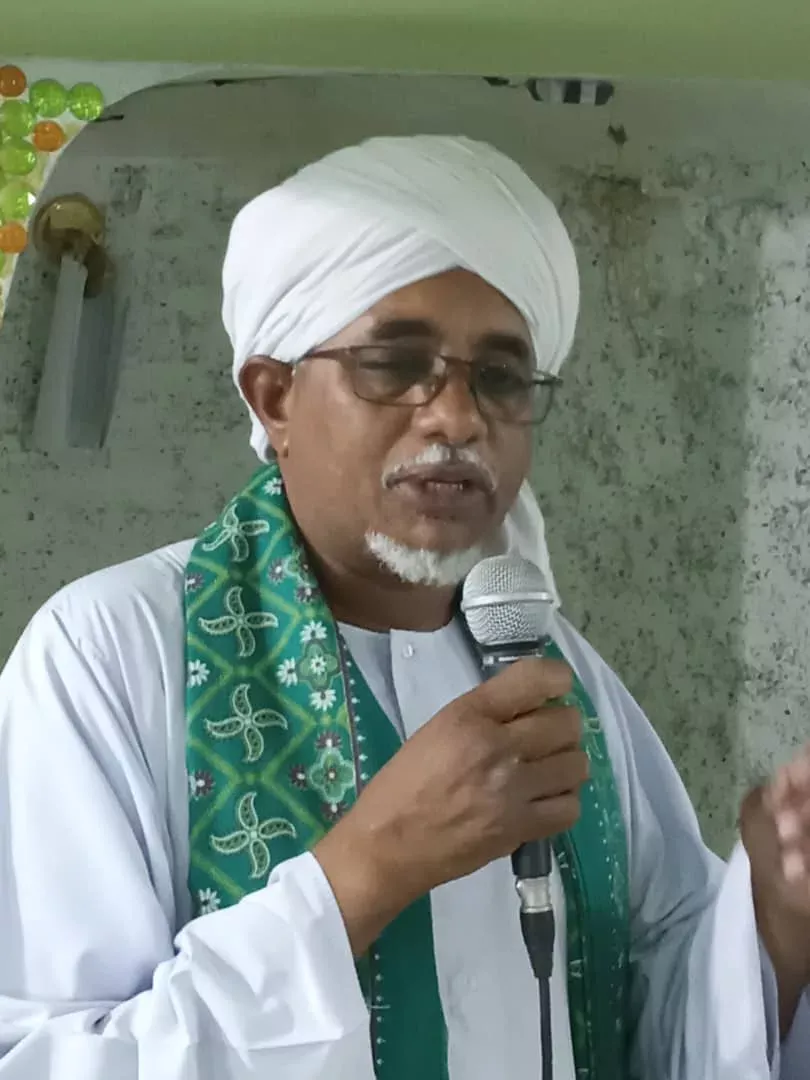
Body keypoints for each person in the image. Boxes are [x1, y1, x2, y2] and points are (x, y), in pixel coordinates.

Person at [0, 135, 808, 1080]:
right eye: (394, 363)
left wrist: (779, 921)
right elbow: (44, 1058)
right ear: (275, 399)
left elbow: (653, 1033)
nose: (457, 418)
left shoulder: (558, 675)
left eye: (501, 377)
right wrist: (367, 872)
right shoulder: (110, 651)